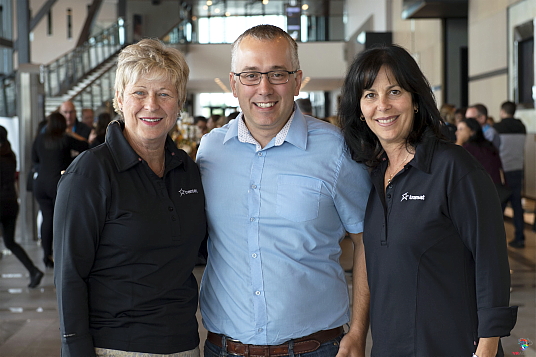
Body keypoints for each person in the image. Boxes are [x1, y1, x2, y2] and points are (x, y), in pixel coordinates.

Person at [197, 24, 371, 357]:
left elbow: (367, 240)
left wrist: (360, 331)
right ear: (233, 84)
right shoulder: (210, 151)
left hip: (317, 348)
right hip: (225, 349)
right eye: (250, 75)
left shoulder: (336, 150)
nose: (264, 89)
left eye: (277, 74)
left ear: (297, 80)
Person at [339, 44, 517, 357]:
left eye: (394, 91)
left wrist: (487, 349)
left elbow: (491, 262)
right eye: (369, 94)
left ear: (416, 100)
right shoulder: (374, 175)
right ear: (359, 109)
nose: (382, 105)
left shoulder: (453, 167)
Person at [53, 38, 206, 357]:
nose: (152, 105)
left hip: (185, 344)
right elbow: (69, 275)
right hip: (116, 346)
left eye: (164, 94)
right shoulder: (91, 173)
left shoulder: (187, 171)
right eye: (140, 92)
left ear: (179, 104)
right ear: (120, 99)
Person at [31, 112, 88, 268]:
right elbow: (85, 146)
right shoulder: (65, 139)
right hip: (56, 184)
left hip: (40, 184)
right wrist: (71, 133)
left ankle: (46, 256)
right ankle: (62, 255)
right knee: (61, 221)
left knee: (47, 218)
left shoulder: (39, 139)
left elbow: (34, 159)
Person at [0, 126, 44, 288]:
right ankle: (33, 270)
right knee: (10, 242)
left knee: (9, 242)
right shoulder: (10, 155)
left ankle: (34, 271)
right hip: (11, 203)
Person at [494, 101, 527, 248]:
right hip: (518, 168)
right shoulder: (522, 127)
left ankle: (497, 238)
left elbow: (493, 148)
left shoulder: (498, 127)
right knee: (517, 204)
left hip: (502, 171)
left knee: (498, 205)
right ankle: (520, 237)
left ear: (502, 111)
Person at [456, 118, 503, 184]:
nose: (457, 132)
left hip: (481, 186)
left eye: (461, 129)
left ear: (472, 132)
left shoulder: (468, 149)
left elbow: (455, 161)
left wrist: (459, 142)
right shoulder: (489, 145)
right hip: (495, 186)